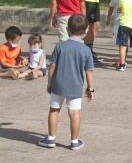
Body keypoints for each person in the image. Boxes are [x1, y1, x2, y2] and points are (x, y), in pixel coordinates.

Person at [39, 15, 95, 150]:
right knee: (74, 113)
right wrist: (90, 88)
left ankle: (51, 139)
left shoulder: (60, 47)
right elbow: (89, 72)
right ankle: (74, 141)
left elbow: (52, 66)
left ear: (67, 29)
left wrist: (49, 83)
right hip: (75, 86)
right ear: (86, 30)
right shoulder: (86, 50)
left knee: (54, 110)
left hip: (58, 84)